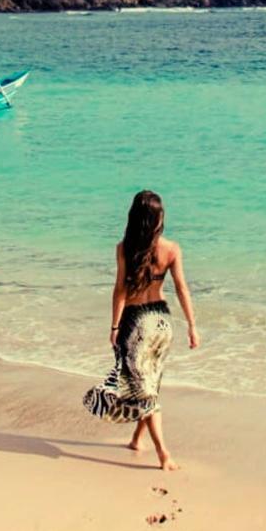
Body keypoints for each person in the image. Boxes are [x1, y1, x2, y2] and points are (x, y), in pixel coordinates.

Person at [82, 190, 199, 471]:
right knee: (147, 384)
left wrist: (114, 325)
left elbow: (120, 289)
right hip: (161, 322)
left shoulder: (124, 248)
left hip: (135, 324)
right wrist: (192, 326)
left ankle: (163, 453)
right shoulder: (171, 249)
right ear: (158, 219)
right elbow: (182, 289)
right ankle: (137, 438)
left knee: (143, 389)